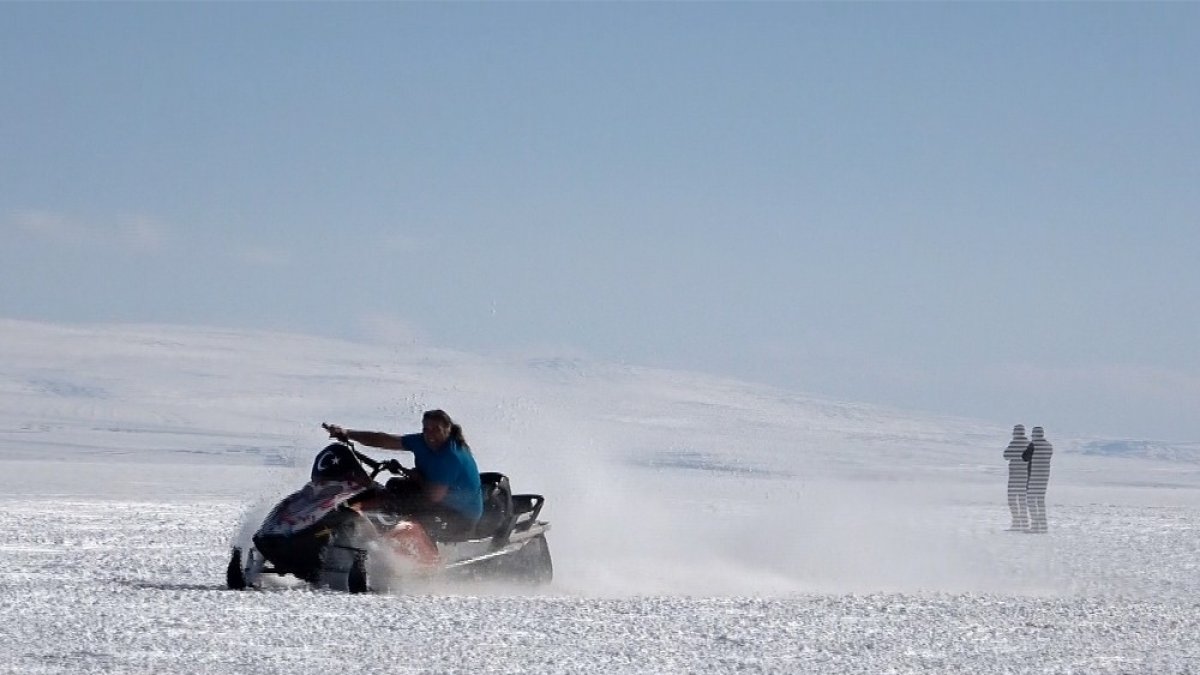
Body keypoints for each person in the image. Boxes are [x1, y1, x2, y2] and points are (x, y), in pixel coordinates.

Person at [322, 410, 483, 541]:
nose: (430, 435)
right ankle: (353, 516)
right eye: (426, 429)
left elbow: (434, 496)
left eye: (436, 429)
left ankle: (361, 521)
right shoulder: (422, 441)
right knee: (394, 486)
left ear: (448, 430)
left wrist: (414, 476)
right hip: (438, 500)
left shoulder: (451, 457)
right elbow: (383, 439)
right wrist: (348, 433)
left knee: (398, 501)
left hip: (460, 517)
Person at [1026, 426, 1054, 533]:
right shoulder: (1049, 446)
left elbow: (1025, 457)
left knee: (1031, 500)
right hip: (1045, 476)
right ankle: (1043, 525)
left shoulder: (1034, 445)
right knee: (1040, 501)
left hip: (1035, 475)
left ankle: (1035, 525)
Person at [1003, 424, 1030, 530]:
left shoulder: (1014, 443)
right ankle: (1023, 522)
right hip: (1024, 476)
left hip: (1015, 476)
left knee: (1012, 499)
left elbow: (1006, 455)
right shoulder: (1028, 444)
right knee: (1022, 500)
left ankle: (1017, 522)